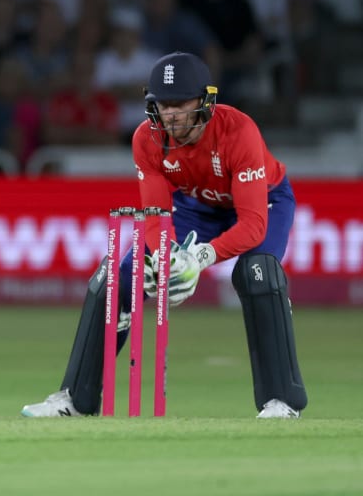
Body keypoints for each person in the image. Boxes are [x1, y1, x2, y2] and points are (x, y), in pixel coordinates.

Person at [21, 52, 307, 419]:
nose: (170, 115)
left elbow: (252, 225)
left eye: (179, 105)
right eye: (163, 105)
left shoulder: (239, 131)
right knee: (119, 276)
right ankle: (75, 399)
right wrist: (167, 257)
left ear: (205, 102)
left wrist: (199, 258)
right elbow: (155, 218)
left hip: (263, 201)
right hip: (196, 207)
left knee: (258, 274)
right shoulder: (147, 139)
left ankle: (282, 401)